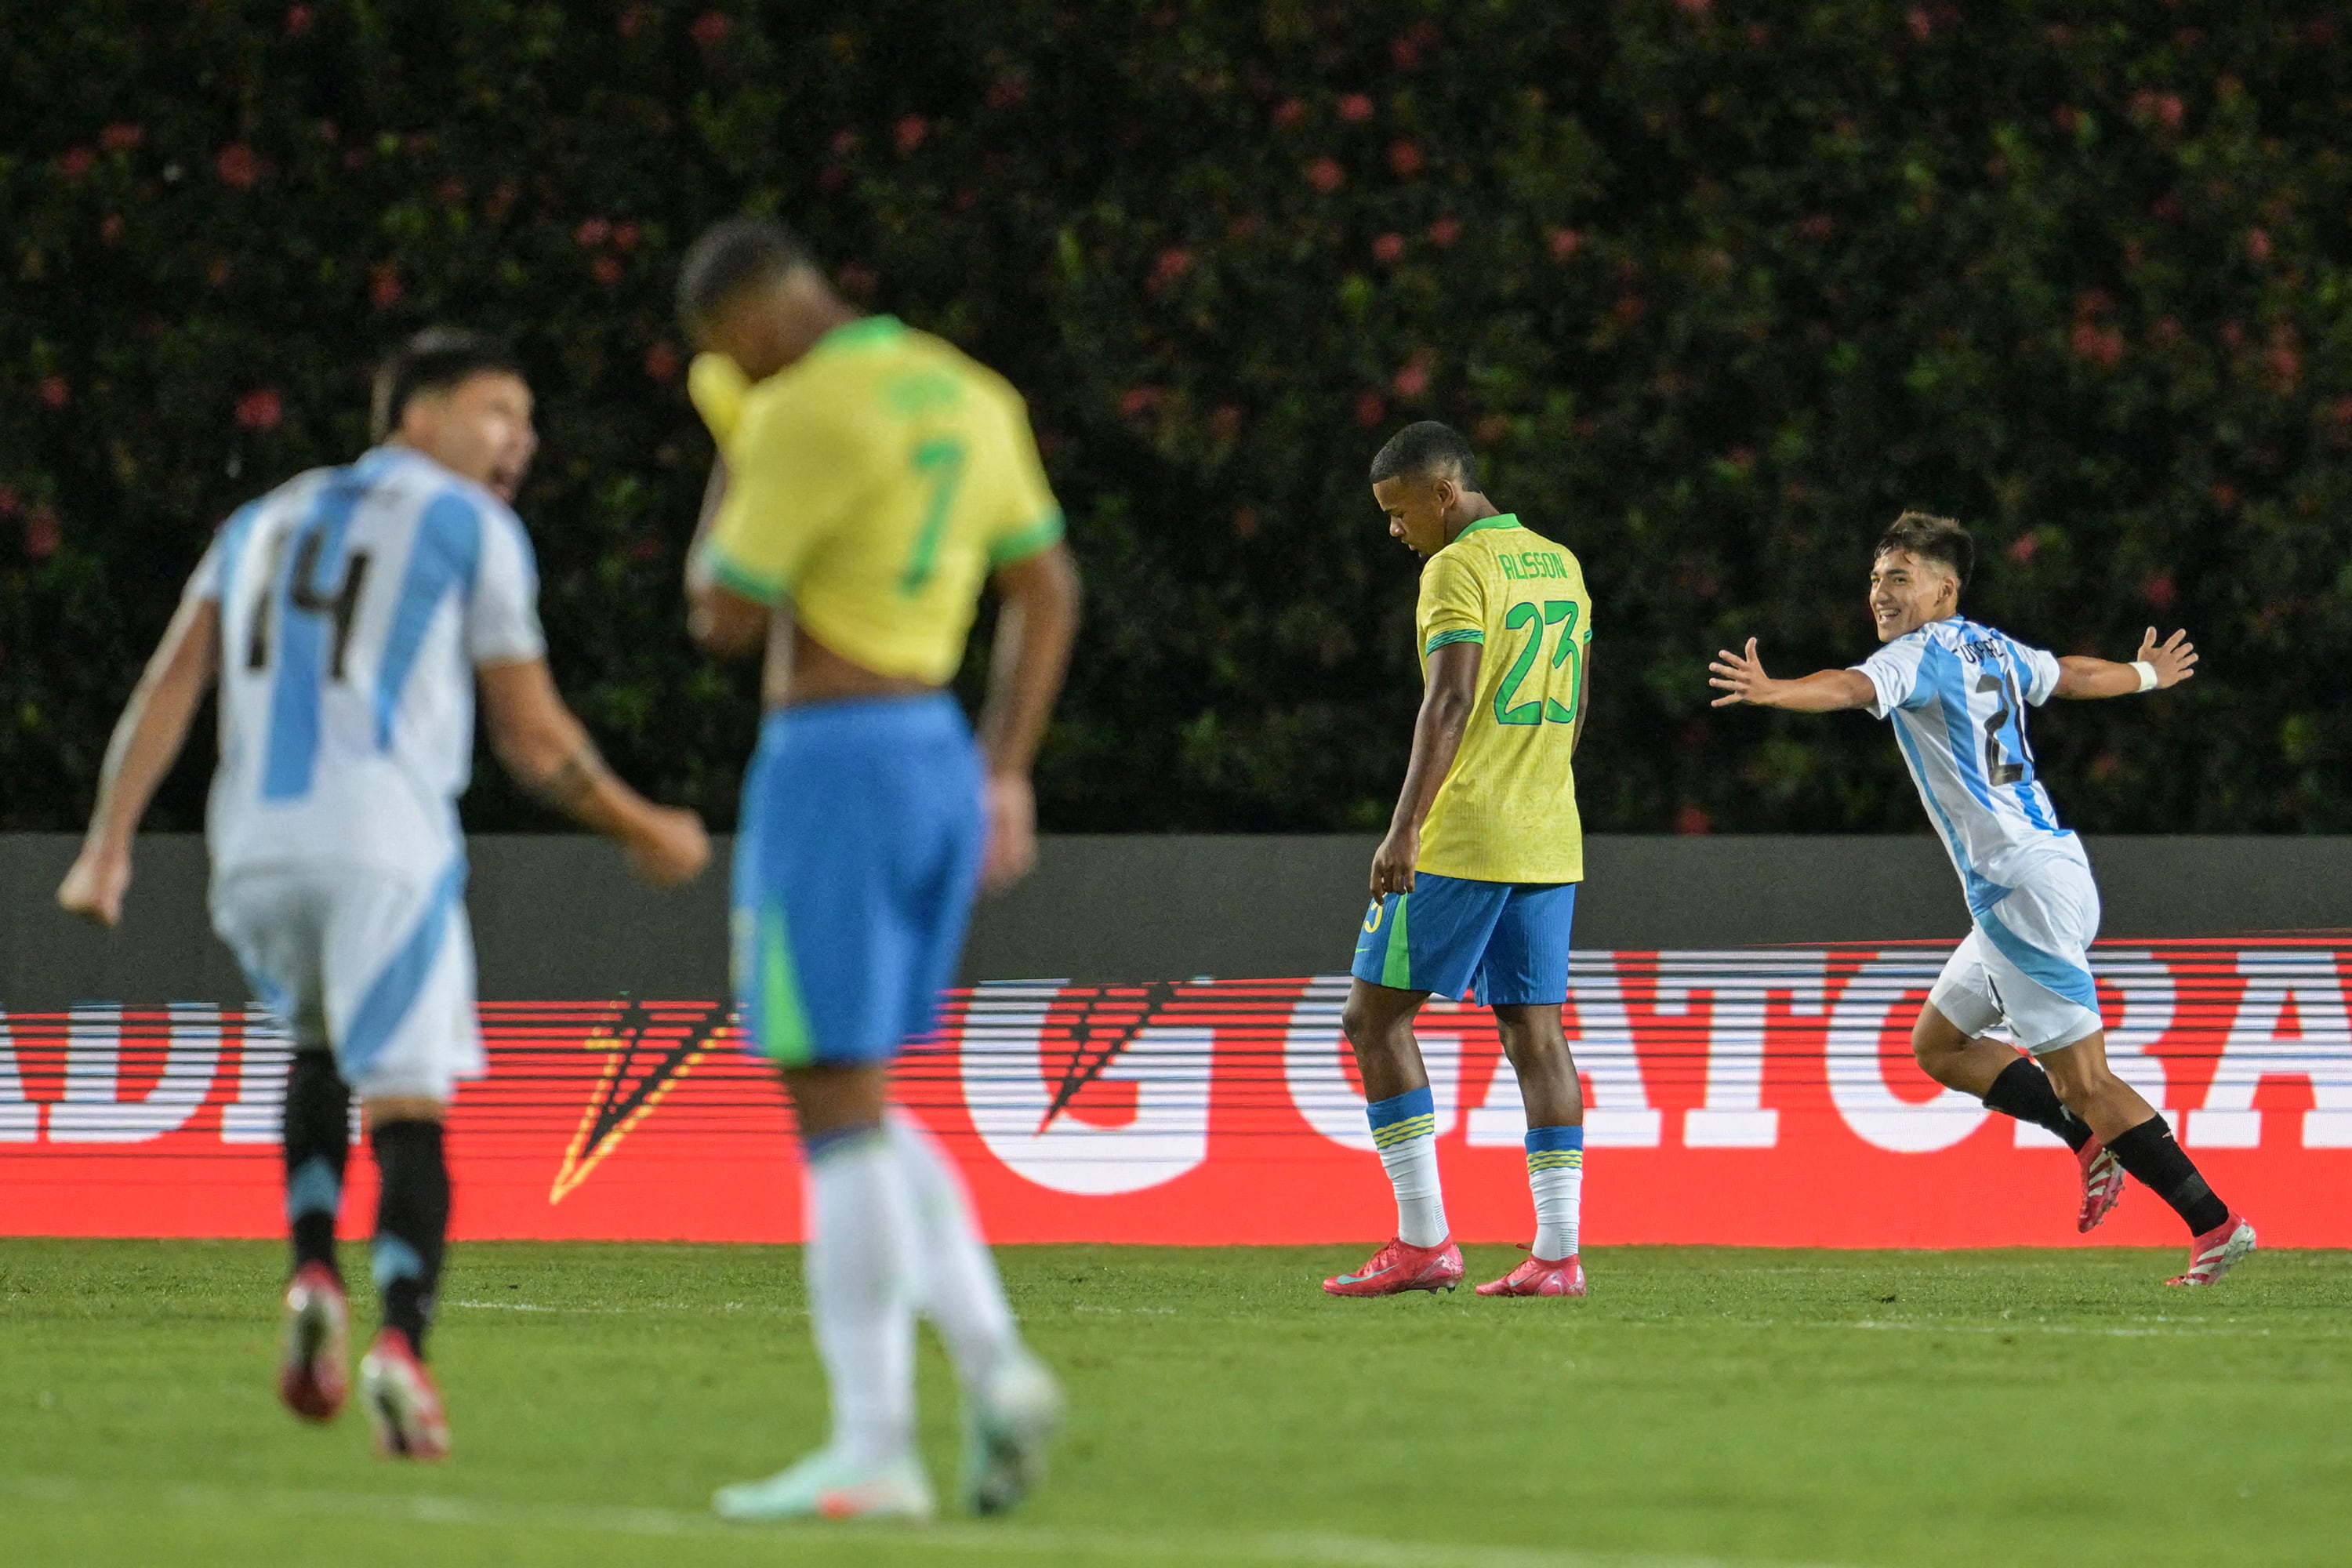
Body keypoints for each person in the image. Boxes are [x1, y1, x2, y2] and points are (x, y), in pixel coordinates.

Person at [56, 328, 710, 1458]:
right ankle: (401, 1341)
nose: (521, 440)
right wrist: (644, 825)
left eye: (527, 420)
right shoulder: (471, 527)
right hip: (382, 846)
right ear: (418, 418)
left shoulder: (260, 520)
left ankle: (313, 1268)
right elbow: (532, 735)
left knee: (316, 1047)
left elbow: (171, 682)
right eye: (498, 412)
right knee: (410, 1102)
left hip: (251, 850)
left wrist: (108, 844)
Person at [676, 218, 1083, 1521]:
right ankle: (993, 1370)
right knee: (856, 1091)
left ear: (746, 325)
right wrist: (1005, 768)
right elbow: (1047, 588)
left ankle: (879, 1443)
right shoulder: (972, 392)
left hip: (833, 763)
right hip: (938, 757)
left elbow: (721, 611)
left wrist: (736, 445)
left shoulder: (801, 413)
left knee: (832, 1106)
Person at [1708, 510, 2254, 1287]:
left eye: (1899, 578)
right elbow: (2070, 675)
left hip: (2020, 890)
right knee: (1939, 1046)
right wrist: (2145, 675)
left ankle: (2215, 1224)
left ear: (1943, 590)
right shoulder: (1991, 646)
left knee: (2085, 1081)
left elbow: (1853, 686)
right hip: (2049, 872)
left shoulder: (1916, 655)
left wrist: (1775, 691)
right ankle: (2086, 1137)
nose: (1880, 592)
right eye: (1875, 578)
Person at [1324, 421, 1596, 1302]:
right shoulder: (1560, 562)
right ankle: (1557, 1255)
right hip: (1548, 833)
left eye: (1400, 511)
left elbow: (1449, 701)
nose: (1394, 530)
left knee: (1373, 1020)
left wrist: (1404, 829)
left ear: (1444, 494)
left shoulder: (1457, 568)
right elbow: (1578, 702)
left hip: (1466, 833)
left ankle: (1423, 1240)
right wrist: (1539, 785)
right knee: (1535, 1034)